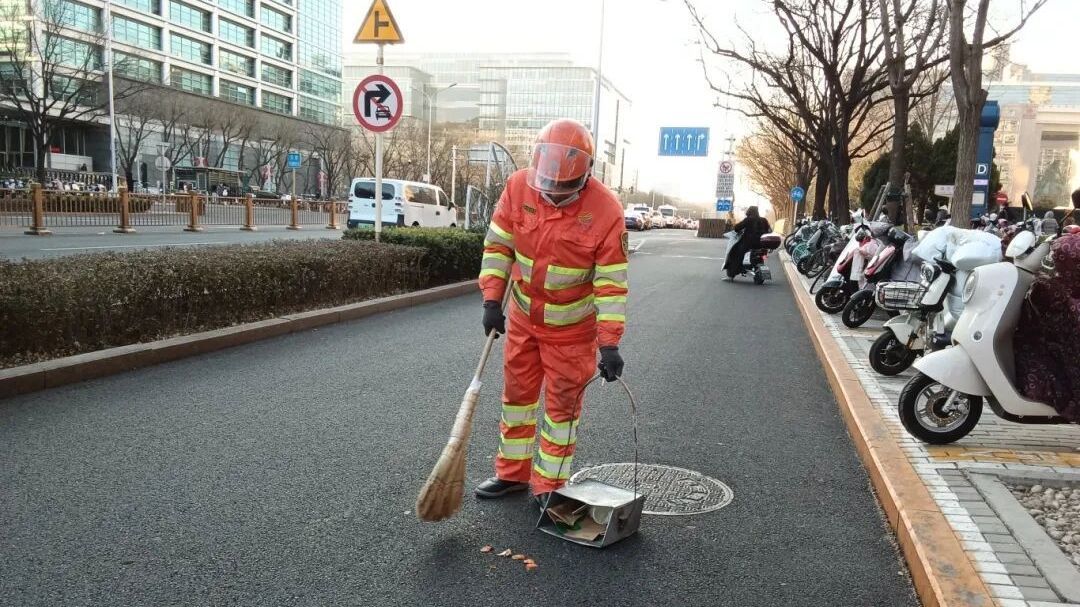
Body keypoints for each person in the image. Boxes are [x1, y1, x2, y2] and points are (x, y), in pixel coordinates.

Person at [474, 118, 629, 502]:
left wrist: (609, 345)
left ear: (587, 174)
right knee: (517, 401)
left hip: (572, 332)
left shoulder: (606, 211)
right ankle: (512, 474)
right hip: (526, 321)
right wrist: (492, 299)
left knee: (562, 413)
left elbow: (610, 285)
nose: (553, 194)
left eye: (563, 189)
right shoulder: (519, 187)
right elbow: (498, 247)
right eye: (548, 186)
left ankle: (550, 485)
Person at [722, 205, 770, 279]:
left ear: (749, 211)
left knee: (734, 253)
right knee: (762, 255)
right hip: (762, 244)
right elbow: (769, 230)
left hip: (749, 244)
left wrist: (736, 227)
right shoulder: (764, 220)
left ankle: (731, 274)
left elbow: (737, 227)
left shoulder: (748, 219)